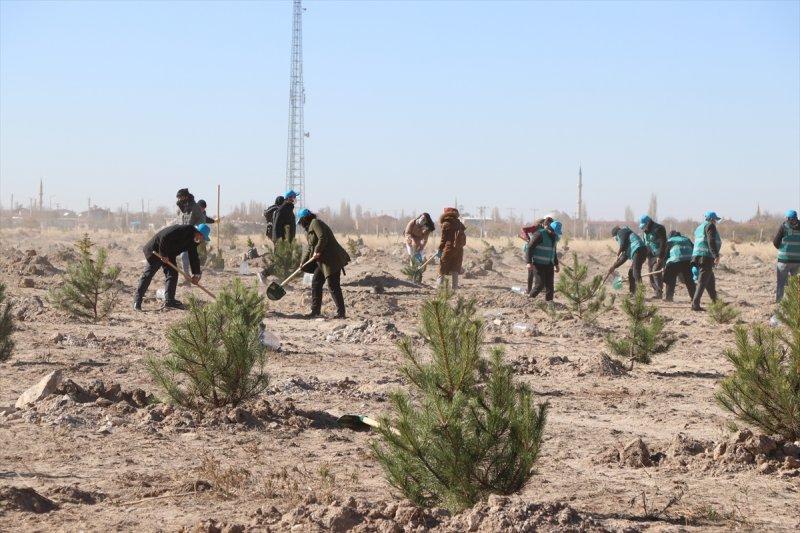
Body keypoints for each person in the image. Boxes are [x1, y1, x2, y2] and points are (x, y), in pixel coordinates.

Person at [134, 223, 211, 311]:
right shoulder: (184, 229)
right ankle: (137, 301)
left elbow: (193, 256)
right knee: (148, 275)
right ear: (198, 233)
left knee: (173, 274)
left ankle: (170, 301)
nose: (202, 240)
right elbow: (164, 237)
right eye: (203, 237)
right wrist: (163, 254)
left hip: (169, 254)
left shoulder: (194, 240)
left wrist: (196, 274)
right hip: (156, 250)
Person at [297, 208, 350, 319]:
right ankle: (315, 311)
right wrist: (303, 262)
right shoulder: (309, 231)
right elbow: (309, 248)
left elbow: (323, 238)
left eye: (301, 221)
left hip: (332, 259)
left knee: (333, 285)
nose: (301, 224)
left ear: (304, 218)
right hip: (322, 261)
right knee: (316, 283)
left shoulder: (315, 223)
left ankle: (341, 313)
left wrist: (317, 251)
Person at [691, 211, 722, 311]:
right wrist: (716, 255)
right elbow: (711, 241)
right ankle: (695, 304)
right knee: (702, 281)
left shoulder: (699, 227)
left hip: (697, 256)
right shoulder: (710, 226)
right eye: (715, 220)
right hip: (706, 257)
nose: (716, 222)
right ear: (712, 219)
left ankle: (716, 303)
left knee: (710, 281)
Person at [526, 221, 561, 304]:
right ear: (549, 228)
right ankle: (529, 300)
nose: (554, 234)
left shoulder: (554, 237)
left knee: (550, 286)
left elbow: (553, 251)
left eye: (556, 233)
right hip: (538, 264)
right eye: (553, 232)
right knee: (540, 284)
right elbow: (530, 247)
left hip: (549, 264)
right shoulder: (540, 234)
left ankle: (549, 303)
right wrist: (529, 262)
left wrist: (556, 264)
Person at [607, 225, 647, 295]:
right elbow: (623, 258)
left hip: (638, 249)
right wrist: (614, 266)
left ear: (616, 234)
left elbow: (622, 245)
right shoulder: (626, 241)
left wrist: (618, 252)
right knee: (631, 273)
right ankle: (633, 292)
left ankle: (640, 293)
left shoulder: (621, 232)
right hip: (640, 251)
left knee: (635, 272)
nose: (616, 240)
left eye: (615, 238)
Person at [176, 189, 205, 280]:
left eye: (181, 197)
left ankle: (192, 275)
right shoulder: (180, 208)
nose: (179, 199)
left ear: (186, 196)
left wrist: (196, 229)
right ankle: (187, 276)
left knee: (187, 255)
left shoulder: (194, 207)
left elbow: (202, 219)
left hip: (192, 235)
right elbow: (179, 220)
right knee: (183, 256)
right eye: (178, 198)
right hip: (182, 234)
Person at [773, 209, 800, 302]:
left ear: (787, 218)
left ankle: (779, 304)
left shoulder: (784, 226)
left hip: (783, 261)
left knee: (781, 284)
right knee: (796, 285)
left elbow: (775, 243)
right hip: (797, 262)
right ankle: (795, 306)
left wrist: (783, 248)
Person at [436, 208, 467, 290]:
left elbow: (443, 240)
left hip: (448, 249)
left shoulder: (446, 224)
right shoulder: (460, 224)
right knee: (455, 268)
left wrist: (439, 250)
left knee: (442, 268)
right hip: (459, 249)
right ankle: (455, 288)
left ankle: (439, 287)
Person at [663, 230, 696, 302]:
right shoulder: (687, 239)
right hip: (688, 261)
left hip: (675, 261)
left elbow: (665, 255)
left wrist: (664, 266)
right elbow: (694, 249)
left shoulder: (670, 241)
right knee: (689, 280)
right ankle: (694, 298)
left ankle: (669, 298)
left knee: (670, 279)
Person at [639, 215, 667, 298]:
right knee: (651, 274)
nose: (643, 228)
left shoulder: (659, 228)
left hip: (659, 254)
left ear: (648, 222)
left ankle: (659, 293)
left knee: (655, 271)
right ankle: (656, 291)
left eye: (644, 226)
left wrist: (660, 256)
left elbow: (663, 243)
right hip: (650, 256)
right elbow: (645, 243)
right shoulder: (645, 231)